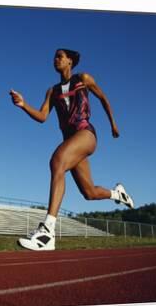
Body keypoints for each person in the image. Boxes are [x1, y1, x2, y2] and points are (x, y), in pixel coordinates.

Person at [9, 48, 134, 251]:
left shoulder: (83, 78)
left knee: (57, 161)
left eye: (60, 56)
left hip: (86, 133)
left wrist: (113, 123)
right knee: (89, 193)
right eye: (54, 57)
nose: (55, 59)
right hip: (71, 141)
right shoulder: (53, 91)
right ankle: (117, 194)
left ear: (70, 61)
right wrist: (23, 105)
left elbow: (103, 98)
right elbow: (42, 117)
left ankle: (48, 231)